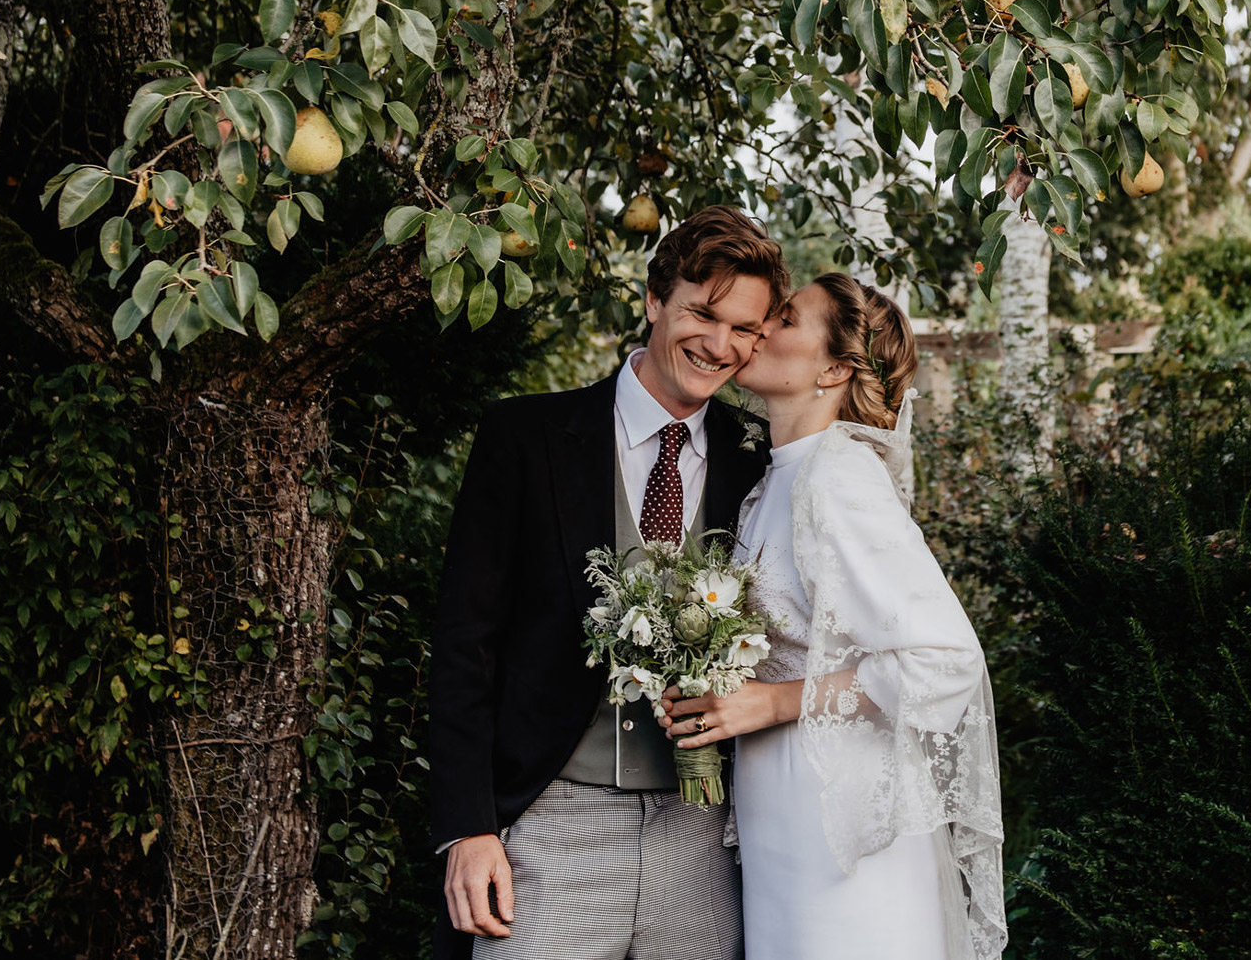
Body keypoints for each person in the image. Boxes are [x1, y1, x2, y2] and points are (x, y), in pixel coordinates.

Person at [430, 205, 789, 960]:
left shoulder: (761, 460)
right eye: (703, 313)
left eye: (745, 329)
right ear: (656, 300)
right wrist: (469, 826)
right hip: (550, 821)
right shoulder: (523, 438)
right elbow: (466, 643)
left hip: (705, 833)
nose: (719, 345)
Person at [659, 274, 1007, 960]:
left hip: (844, 822)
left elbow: (947, 660)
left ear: (835, 368)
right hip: (780, 813)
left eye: (784, 319)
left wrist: (777, 702)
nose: (758, 328)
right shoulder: (774, 481)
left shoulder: (839, 478)